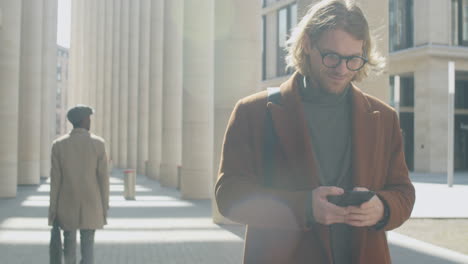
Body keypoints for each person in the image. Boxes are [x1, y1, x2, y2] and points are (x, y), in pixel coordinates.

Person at [214, 1, 415, 263]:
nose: (342, 70)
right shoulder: (253, 112)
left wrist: (383, 207)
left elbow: (403, 192)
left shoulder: (384, 118)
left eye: (353, 59)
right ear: (307, 44)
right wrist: (304, 207)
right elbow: (229, 195)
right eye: (331, 56)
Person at [48, 105, 109, 264]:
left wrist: (52, 211)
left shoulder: (58, 145)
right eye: (88, 118)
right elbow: (103, 180)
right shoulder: (98, 144)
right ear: (82, 120)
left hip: (66, 205)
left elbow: (55, 181)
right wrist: (104, 207)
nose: (90, 121)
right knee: (88, 247)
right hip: (92, 204)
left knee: (68, 248)